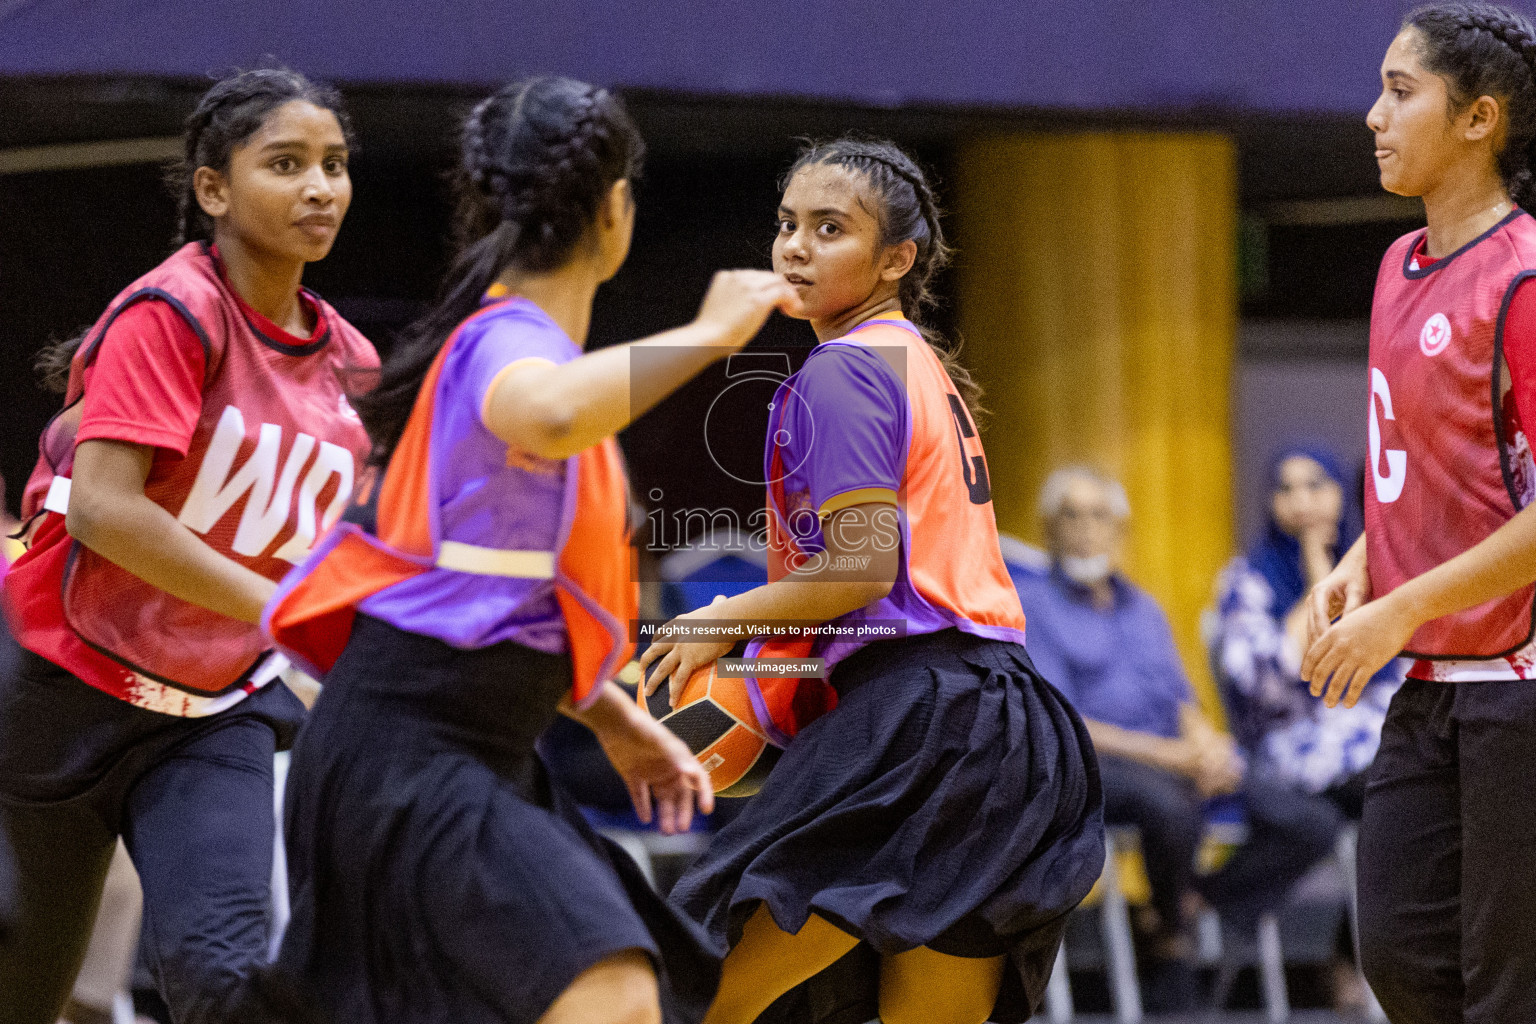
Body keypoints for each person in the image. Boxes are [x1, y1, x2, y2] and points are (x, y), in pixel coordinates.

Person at [262, 77, 801, 1024]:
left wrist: (613, 720)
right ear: (615, 211)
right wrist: (712, 335)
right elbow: (545, 412)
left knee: (620, 991)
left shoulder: (536, 357)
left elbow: (487, 603)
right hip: (410, 750)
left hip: (465, 747)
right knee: (613, 992)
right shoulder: (507, 344)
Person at [643, 139, 1105, 1024]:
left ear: (897, 259)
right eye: (787, 226)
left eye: (830, 229)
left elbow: (861, 567)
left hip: (923, 718)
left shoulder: (846, 368)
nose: (797, 247)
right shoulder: (914, 360)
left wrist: (718, 622)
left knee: (692, 990)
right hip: (1006, 725)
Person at [0, 68, 376, 1023]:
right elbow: (106, 512)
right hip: (58, 695)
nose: (320, 188)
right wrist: (287, 613)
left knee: (225, 983)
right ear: (214, 188)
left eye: (333, 165)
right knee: (23, 991)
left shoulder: (349, 364)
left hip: (213, 714)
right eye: (285, 164)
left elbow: (315, 551)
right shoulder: (171, 313)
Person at [1302, 5, 1536, 1020]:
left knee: (1507, 984)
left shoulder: (1525, 276)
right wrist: (1365, 557)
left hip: (1522, 687)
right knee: (1398, 955)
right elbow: (1433, 464)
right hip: (1434, 679)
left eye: (1402, 92)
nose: (1373, 115)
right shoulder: (1397, 269)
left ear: (1480, 118)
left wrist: (1397, 608)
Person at [1015, 466, 1338, 1010]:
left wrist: (1207, 746)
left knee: (1309, 822)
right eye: (1072, 515)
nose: (1087, 529)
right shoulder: (1033, 604)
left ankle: (1187, 905)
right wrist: (1177, 758)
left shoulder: (1142, 607)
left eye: (1100, 515)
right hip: (1093, 763)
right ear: (1049, 528)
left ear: (1119, 529)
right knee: (1171, 807)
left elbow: (1180, 698)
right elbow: (1062, 721)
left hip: (1173, 758)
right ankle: (1172, 947)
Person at [1214, 447, 1399, 812]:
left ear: (1342, 492)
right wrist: (1319, 581)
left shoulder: (1376, 566)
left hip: (1375, 728)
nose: (1301, 501)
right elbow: (1259, 681)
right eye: (1285, 489)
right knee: (1393, 786)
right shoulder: (1248, 579)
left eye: (1315, 485)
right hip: (1292, 739)